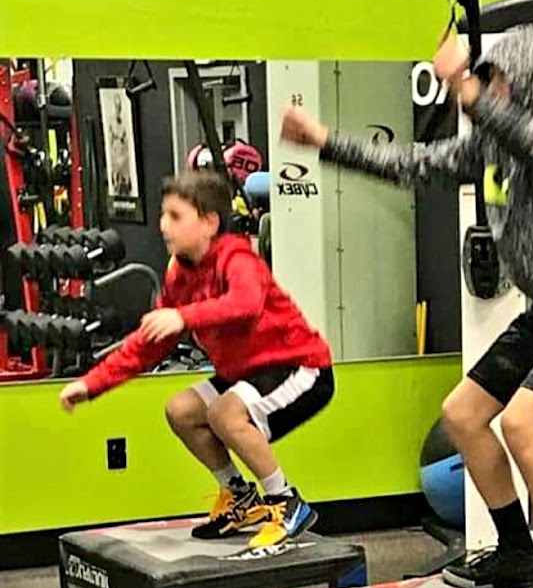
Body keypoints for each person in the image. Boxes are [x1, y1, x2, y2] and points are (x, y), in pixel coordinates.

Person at [280, 25, 533, 588]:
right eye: (488, 77)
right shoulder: (492, 142)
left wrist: (459, 80)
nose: (490, 86)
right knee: (463, 414)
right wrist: (326, 142)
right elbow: (415, 163)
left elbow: (531, 143)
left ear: (528, 81)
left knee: (524, 425)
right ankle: (515, 554)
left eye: (499, 77)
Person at [59, 170, 333, 549]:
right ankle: (239, 496)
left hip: (299, 367)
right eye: (162, 215)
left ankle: (286, 502)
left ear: (208, 222)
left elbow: (246, 304)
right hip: (247, 373)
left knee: (224, 413)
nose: (163, 226)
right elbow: (149, 344)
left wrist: (184, 317)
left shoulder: (237, 258)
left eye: (175, 216)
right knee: (182, 410)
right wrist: (92, 384)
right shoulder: (181, 276)